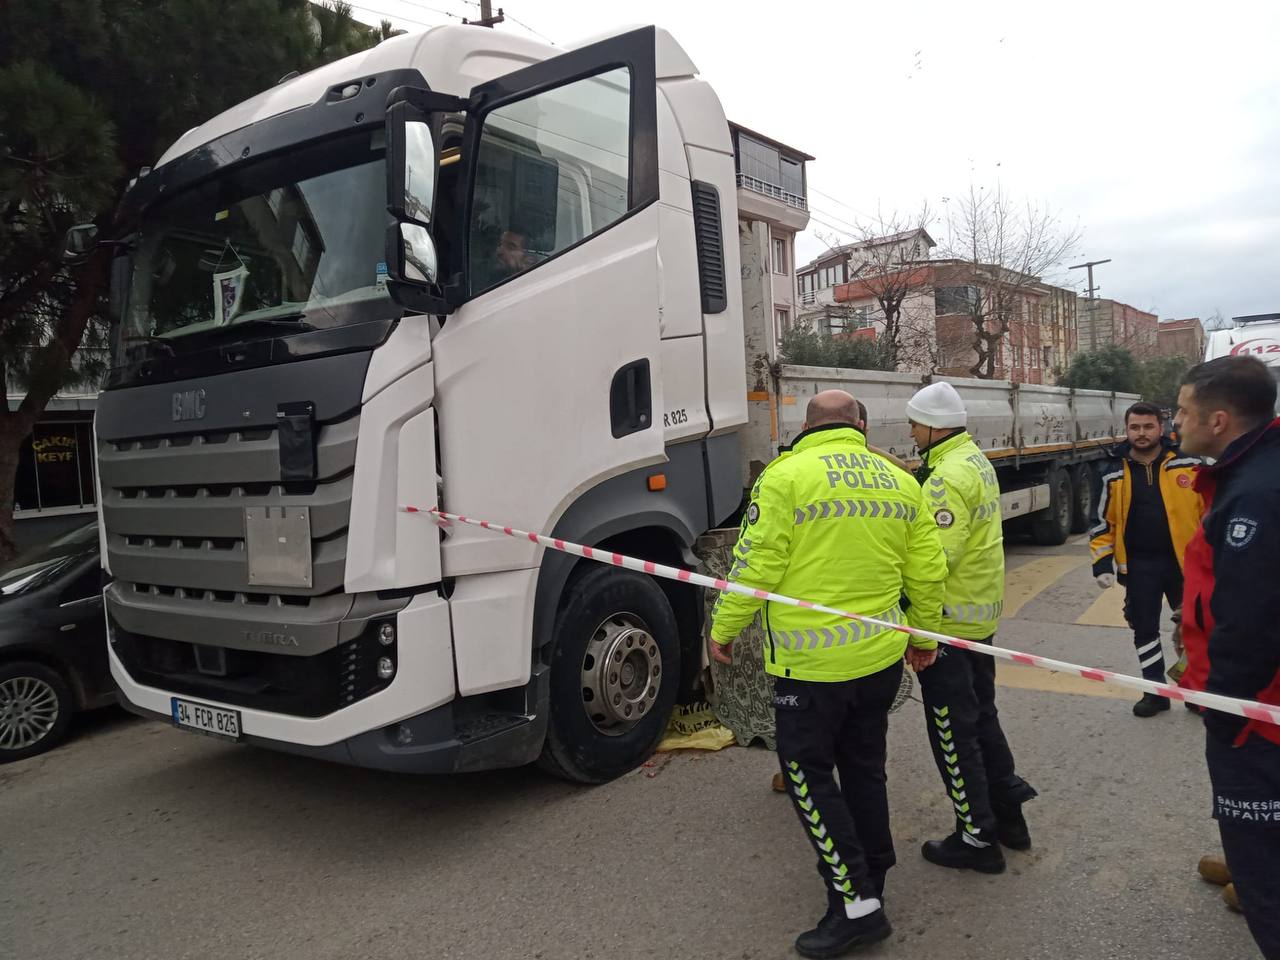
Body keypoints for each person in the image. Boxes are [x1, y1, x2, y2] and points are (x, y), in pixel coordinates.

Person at [710, 389, 947, 958]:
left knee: (807, 776)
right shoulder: (899, 480)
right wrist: (924, 636)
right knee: (864, 767)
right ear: (860, 425)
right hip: (880, 661)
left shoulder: (786, 477)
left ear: (805, 425)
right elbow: (928, 569)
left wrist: (723, 627)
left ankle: (855, 904)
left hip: (811, 667)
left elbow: (756, 563)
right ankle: (875, 869)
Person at [905, 381, 1037, 874]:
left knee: (952, 730)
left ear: (933, 426)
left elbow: (934, 561)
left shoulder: (945, 478)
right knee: (982, 717)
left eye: (915, 424)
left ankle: (977, 838)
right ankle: (1009, 817)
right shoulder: (973, 461)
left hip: (948, 623)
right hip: (978, 617)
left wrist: (920, 632)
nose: (912, 432)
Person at [1174, 355, 1280, 960]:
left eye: (1183, 412)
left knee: (1264, 858)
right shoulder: (1252, 471)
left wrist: (1227, 710)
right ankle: (1247, 859)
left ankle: (1256, 867)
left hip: (1255, 709)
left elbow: (1249, 622)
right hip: (1255, 700)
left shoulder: (1257, 495)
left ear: (1218, 420)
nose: (1174, 423)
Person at [1090, 401, 1202, 716]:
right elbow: (1101, 523)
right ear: (1126, 430)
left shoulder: (1189, 463)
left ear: (1161, 427)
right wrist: (1102, 564)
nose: (1141, 433)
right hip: (1140, 567)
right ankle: (1155, 692)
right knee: (1144, 629)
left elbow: (1210, 514)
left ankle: (1195, 692)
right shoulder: (1112, 470)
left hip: (1187, 566)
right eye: (1135, 427)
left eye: (1148, 426)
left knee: (1195, 630)